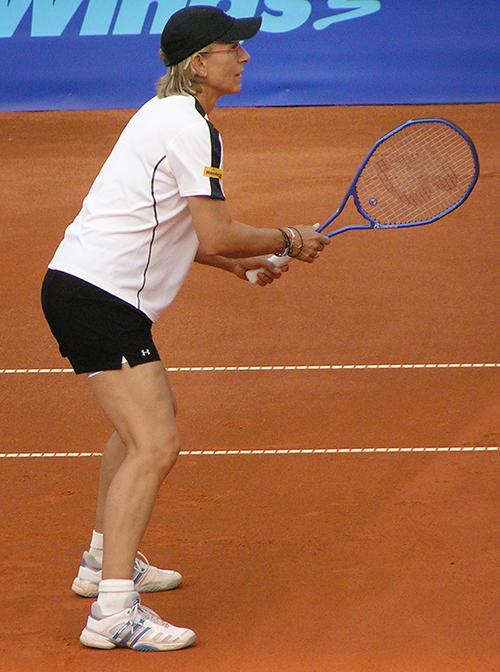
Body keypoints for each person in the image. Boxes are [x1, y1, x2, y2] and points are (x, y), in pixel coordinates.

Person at [41, 5, 329, 653]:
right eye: (234, 48)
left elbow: (179, 234)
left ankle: (100, 563)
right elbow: (215, 229)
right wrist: (289, 238)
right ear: (201, 63)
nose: (246, 57)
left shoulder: (165, 117)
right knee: (155, 443)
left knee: (139, 429)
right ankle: (113, 612)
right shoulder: (190, 127)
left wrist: (240, 265)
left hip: (86, 289)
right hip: (97, 298)